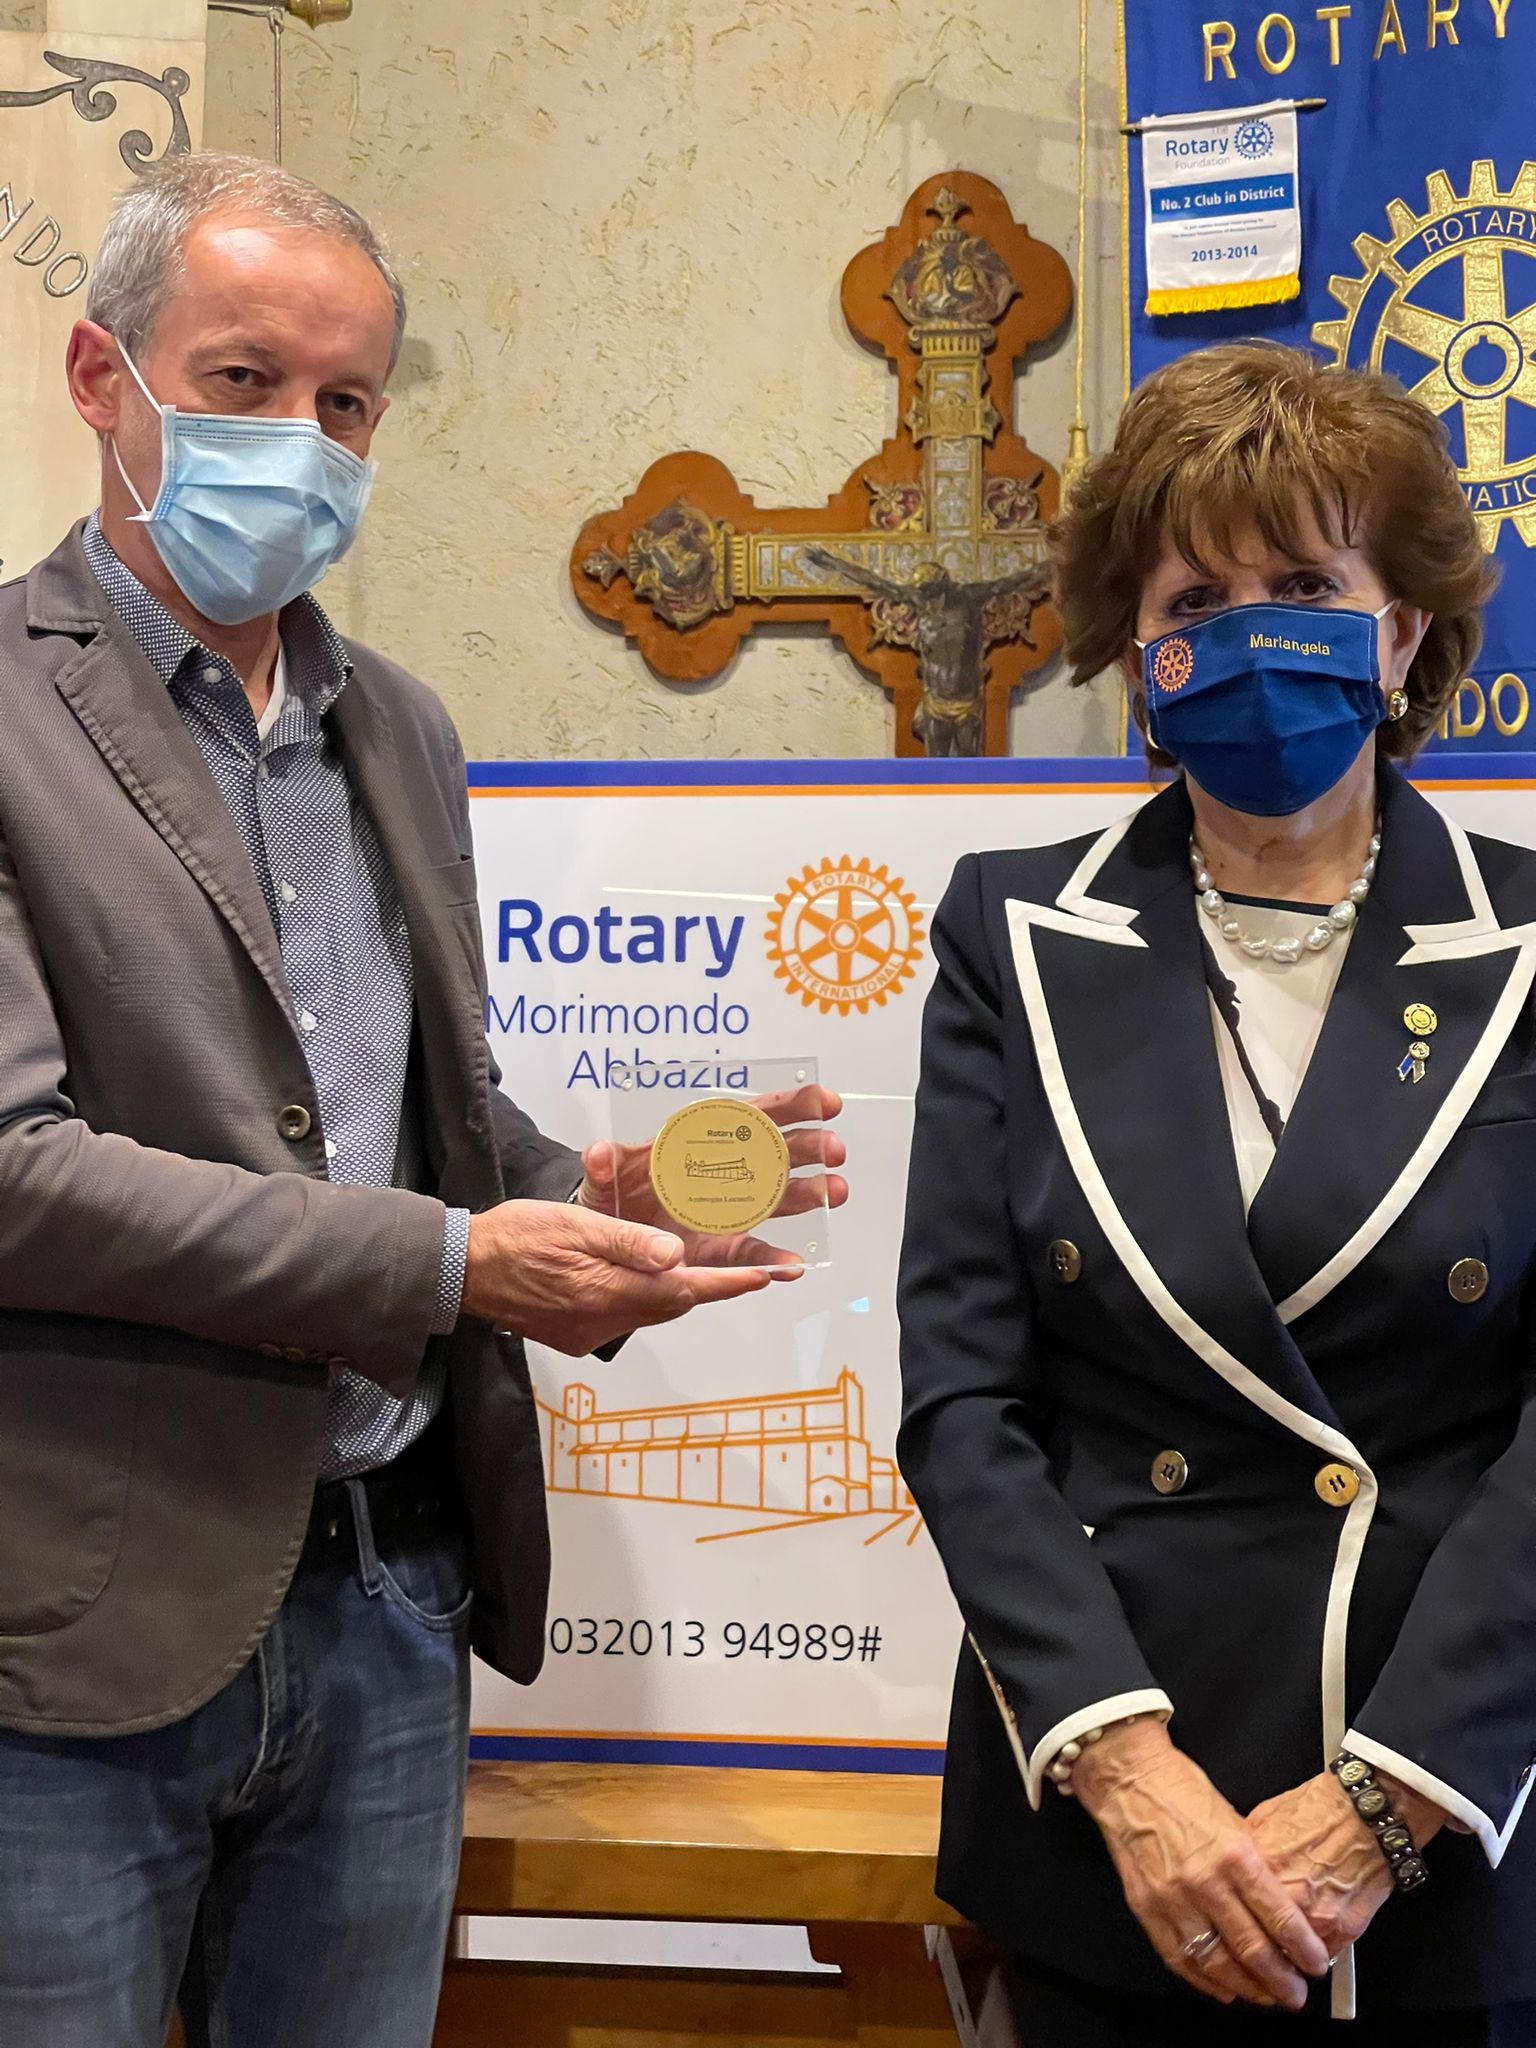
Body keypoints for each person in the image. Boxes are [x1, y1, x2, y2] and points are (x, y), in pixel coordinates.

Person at [0, 151, 844, 2048]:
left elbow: (412, 1125)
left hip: (392, 1604)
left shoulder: (397, 723)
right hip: (75, 1646)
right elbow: (14, 1173)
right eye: (243, 381)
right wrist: (458, 1263)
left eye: (348, 403)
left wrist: (591, 1195)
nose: (302, 442)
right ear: (100, 375)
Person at [897, 340, 1536, 2042]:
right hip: (1116, 1847)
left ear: (1401, 632)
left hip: (1450, 1827)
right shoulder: (1012, 938)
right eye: (1198, 598)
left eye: (1308, 586)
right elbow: (965, 1402)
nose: (1254, 636)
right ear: (1138, 654)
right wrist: (1128, 1773)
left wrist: (1391, 1798)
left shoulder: (1534, 948)